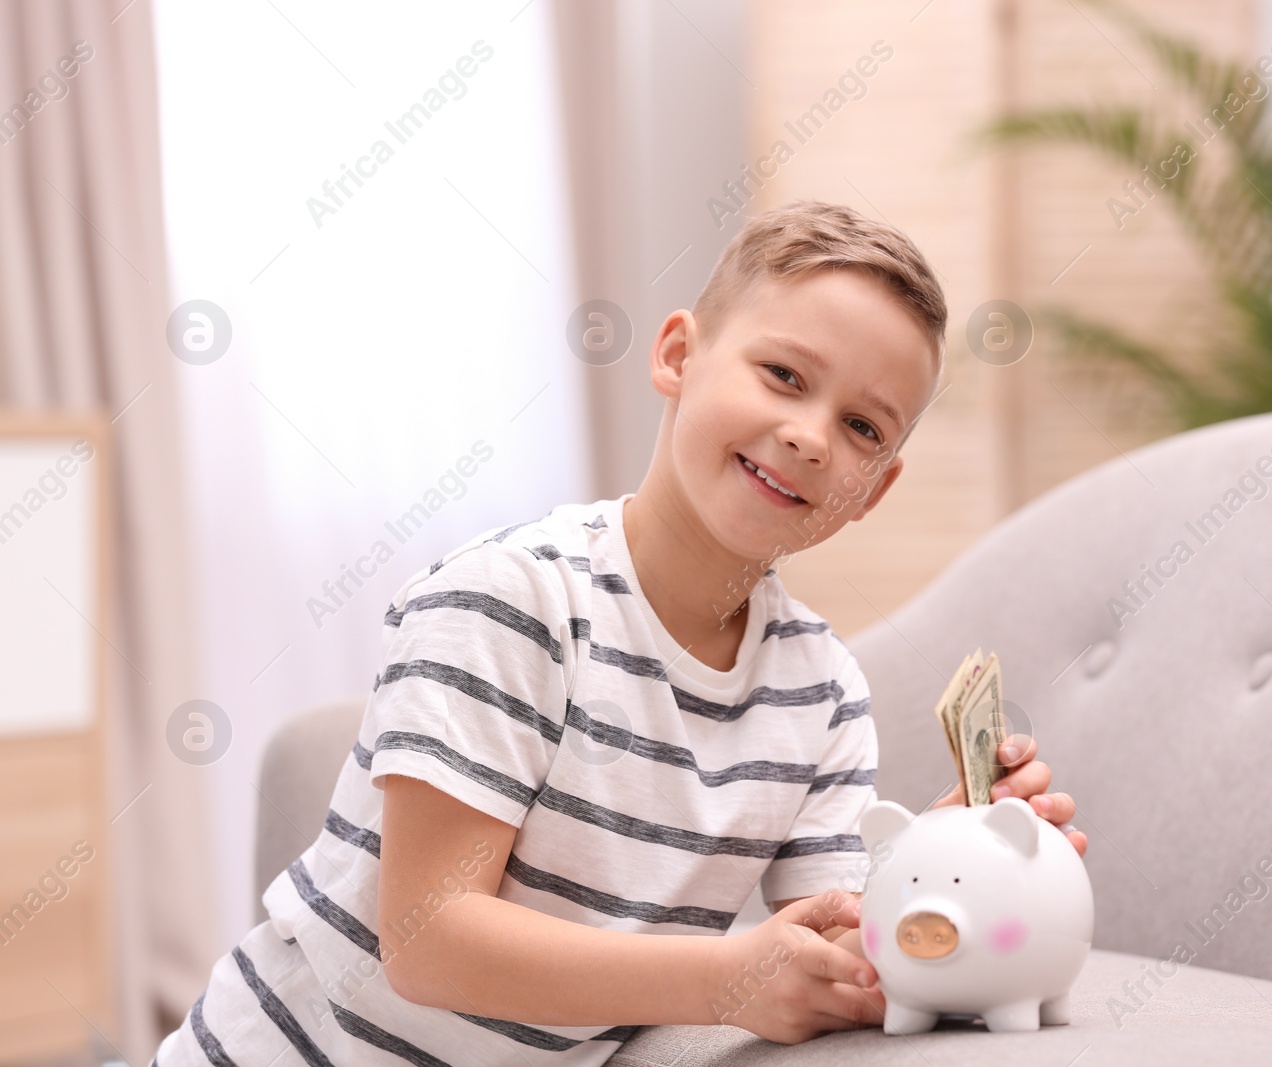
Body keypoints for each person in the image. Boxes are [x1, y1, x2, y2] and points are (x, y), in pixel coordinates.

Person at [151, 200, 1088, 1066]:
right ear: (679, 355)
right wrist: (725, 980)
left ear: (875, 490)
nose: (810, 435)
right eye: (784, 375)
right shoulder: (510, 598)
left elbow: (825, 950)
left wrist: (941, 857)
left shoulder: (823, 690)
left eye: (861, 427)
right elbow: (427, 941)